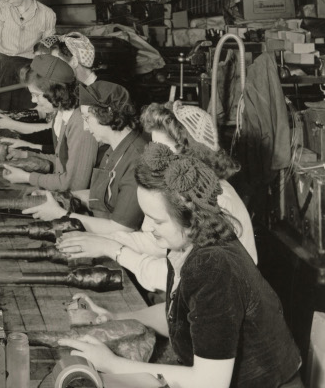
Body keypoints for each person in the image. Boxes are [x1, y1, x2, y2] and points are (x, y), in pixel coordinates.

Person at [60, 144, 314, 388]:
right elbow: (182, 318)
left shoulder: (214, 267)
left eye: (157, 219)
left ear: (190, 215)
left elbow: (209, 387)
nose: (148, 227)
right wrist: (118, 317)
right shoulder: (187, 247)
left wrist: (114, 365)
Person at [56, 101, 257, 294]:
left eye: (162, 152)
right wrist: (99, 240)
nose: (154, 160)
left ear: (190, 153)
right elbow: (157, 241)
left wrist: (115, 250)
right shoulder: (185, 189)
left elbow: (177, 277)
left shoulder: (217, 202)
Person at [24, 79, 147, 232]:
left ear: (106, 115)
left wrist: (62, 214)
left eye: (87, 119)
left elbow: (121, 228)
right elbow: (100, 196)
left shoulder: (137, 159)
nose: (86, 127)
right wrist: (58, 196)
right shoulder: (115, 149)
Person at [1, 55, 98, 193]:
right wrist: (26, 155)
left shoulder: (80, 123)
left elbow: (74, 184)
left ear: (55, 92)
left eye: (36, 95)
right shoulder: (62, 114)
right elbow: (62, 163)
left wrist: (28, 177)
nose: (33, 101)